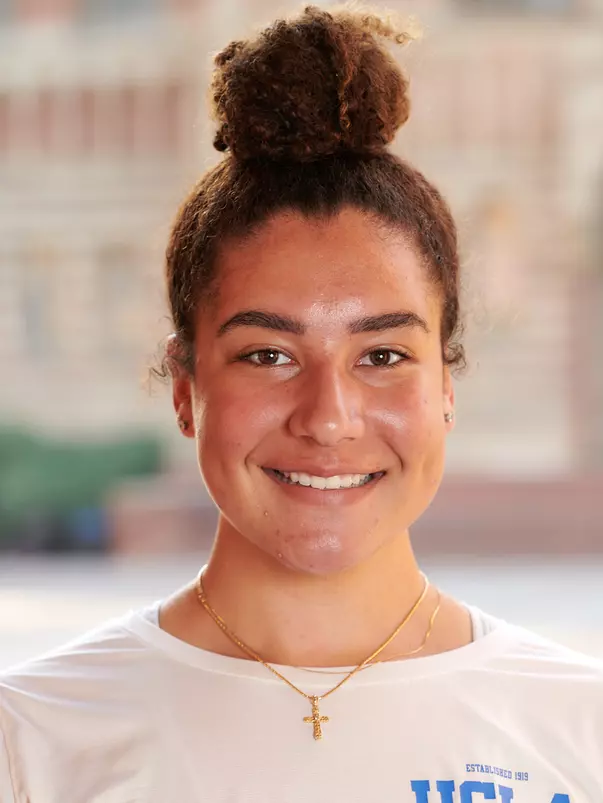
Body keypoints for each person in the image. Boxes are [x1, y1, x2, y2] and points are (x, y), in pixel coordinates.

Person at [1, 5, 601, 802]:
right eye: (268, 354)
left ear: (445, 386)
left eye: (382, 355)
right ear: (185, 388)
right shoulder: (35, 739)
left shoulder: (578, 729)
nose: (327, 416)